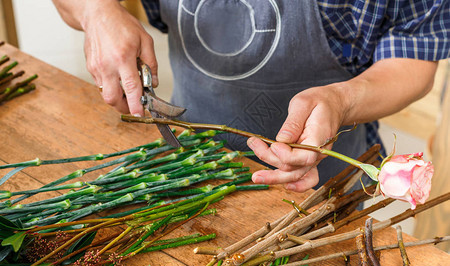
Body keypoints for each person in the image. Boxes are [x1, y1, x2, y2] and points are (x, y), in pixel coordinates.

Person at [52, 0, 449, 192]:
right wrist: (97, 12)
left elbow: (412, 59)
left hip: (317, 189)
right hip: (187, 171)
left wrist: (341, 100)